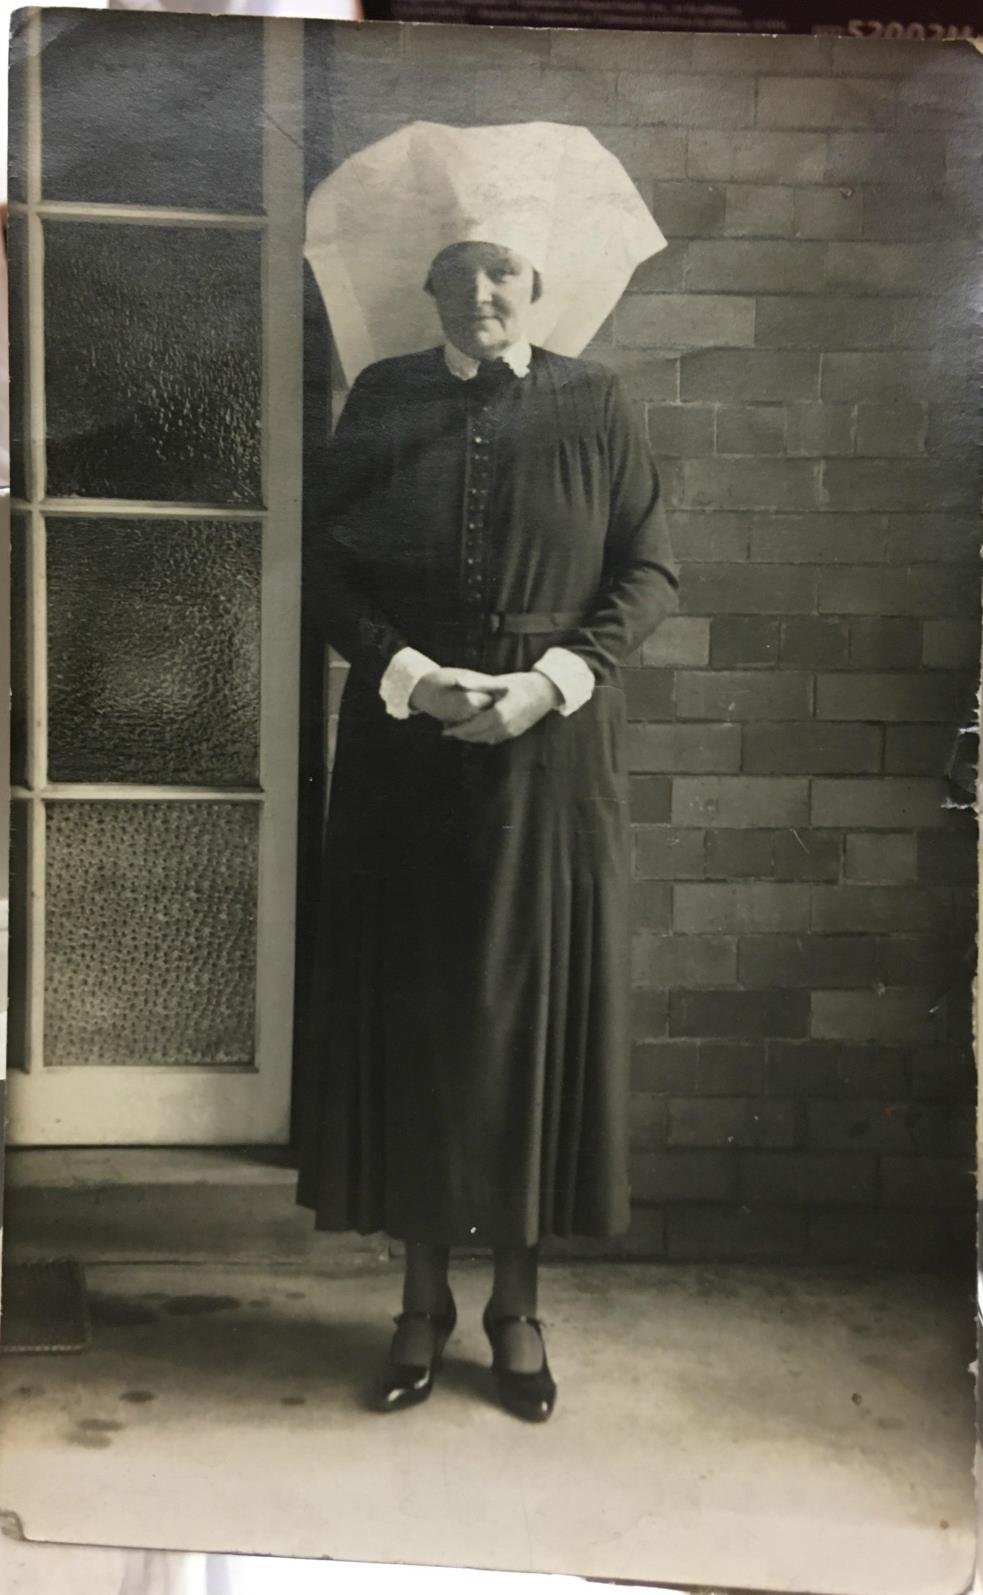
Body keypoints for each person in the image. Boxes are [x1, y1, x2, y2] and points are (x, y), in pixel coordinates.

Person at [296, 121, 679, 1422]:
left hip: (551, 761)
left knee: (517, 1033)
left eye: (503, 266)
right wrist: (410, 676)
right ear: (427, 281)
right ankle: (419, 1302)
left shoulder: (600, 405)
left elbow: (648, 573)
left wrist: (544, 684)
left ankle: (514, 1304)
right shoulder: (384, 400)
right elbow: (330, 573)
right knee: (416, 1022)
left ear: (540, 279)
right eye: (458, 266)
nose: (480, 289)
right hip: (406, 760)